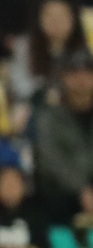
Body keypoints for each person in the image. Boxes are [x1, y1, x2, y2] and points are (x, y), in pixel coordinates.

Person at [33, 48, 93, 225]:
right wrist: (81, 190)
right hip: (64, 194)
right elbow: (51, 160)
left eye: (87, 72)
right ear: (64, 77)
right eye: (75, 72)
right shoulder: (49, 117)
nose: (81, 79)